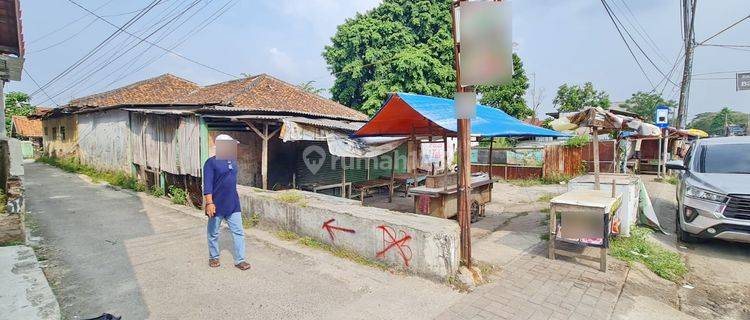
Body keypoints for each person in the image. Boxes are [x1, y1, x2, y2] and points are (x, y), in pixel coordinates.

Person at [203, 134, 250, 270]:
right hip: (216, 204)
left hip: (233, 203)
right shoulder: (211, 162)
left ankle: (240, 260)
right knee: (213, 233)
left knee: (239, 232)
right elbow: (207, 184)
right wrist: (209, 203)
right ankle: (213, 257)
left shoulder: (233, 162)